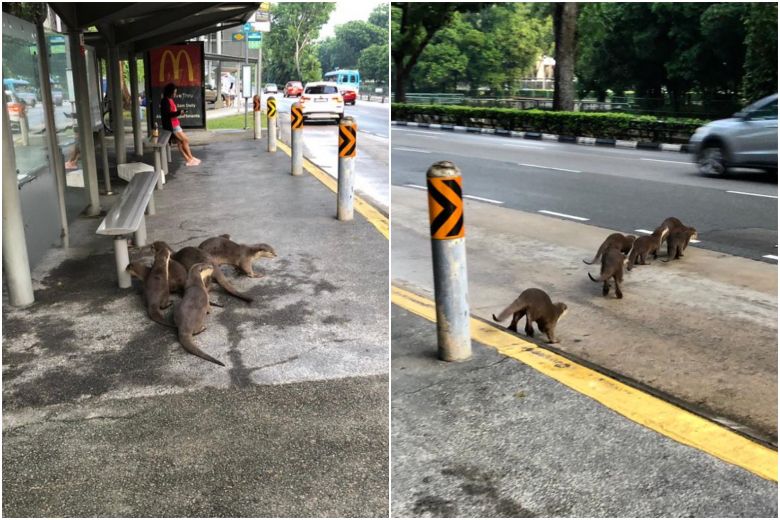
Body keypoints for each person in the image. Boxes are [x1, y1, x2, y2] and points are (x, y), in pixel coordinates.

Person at [160, 83, 200, 166]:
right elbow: (168, 114)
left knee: (180, 143)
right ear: (169, 92)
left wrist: (179, 112)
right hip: (172, 125)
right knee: (185, 140)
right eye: (174, 92)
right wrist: (179, 112)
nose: (175, 94)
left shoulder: (170, 100)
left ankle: (189, 159)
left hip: (175, 123)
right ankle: (190, 158)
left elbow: (172, 112)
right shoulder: (165, 101)